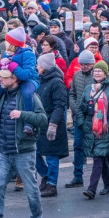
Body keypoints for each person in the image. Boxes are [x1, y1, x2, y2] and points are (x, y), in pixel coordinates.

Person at [0, 66, 47, 218]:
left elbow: (42, 119)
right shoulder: (1, 95)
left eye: (5, 77)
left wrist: (23, 114)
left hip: (23, 150)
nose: (1, 80)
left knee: (31, 187)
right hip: (3, 149)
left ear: (15, 79)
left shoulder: (30, 96)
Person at [75, 60, 109, 199]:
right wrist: (82, 123)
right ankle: (108, 184)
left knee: (98, 157)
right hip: (90, 127)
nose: (97, 73)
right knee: (103, 155)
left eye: (100, 71)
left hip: (105, 128)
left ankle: (91, 189)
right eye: (95, 71)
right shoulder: (89, 88)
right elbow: (81, 106)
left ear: (105, 73)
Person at [35, 53, 69, 197]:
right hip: (41, 122)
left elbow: (60, 105)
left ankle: (52, 184)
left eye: (38, 64)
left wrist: (53, 124)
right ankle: (46, 176)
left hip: (52, 124)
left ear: (44, 67)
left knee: (51, 156)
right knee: (35, 153)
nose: (37, 66)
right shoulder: (41, 80)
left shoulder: (56, 82)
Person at [65, 49, 96, 188]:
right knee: (77, 146)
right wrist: (75, 108)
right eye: (82, 64)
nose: (84, 67)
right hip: (79, 116)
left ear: (92, 64)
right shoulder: (77, 76)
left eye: (87, 65)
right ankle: (78, 176)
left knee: (98, 148)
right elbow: (72, 94)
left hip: (94, 118)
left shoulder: (97, 76)